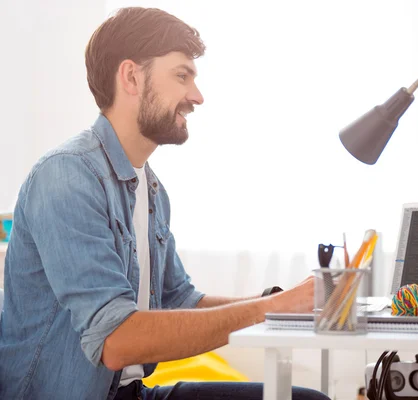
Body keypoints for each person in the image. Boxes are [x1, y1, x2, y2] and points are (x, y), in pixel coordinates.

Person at [0, 7, 330, 400]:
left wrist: (281, 304)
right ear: (131, 77)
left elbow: (180, 301)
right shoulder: (66, 177)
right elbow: (116, 341)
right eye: (181, 76)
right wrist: (274, 307)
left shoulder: (150, 189)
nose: (197, 96)